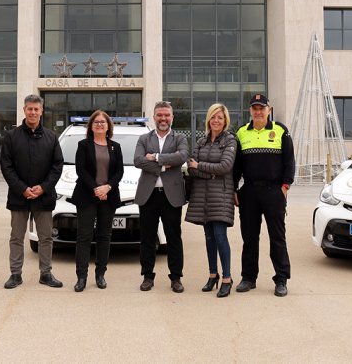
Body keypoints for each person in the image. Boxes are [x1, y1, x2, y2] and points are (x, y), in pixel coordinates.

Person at [232, 93, 295, 297]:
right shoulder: (241, 132)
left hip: (274, 191)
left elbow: (289, 162)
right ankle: (249, 278)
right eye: (254, 108)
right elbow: (236, 166)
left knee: (277, 237)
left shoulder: (280, 131)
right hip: (249, 191)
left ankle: (281, 279)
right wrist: (234, 188)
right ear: (250, 111)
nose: (258, 112)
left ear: (269, 110)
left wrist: (284, 187)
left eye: (262, 108)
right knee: (249, 238)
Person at [0, 94, 64, 289]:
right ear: (24, 110)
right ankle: (15, 274)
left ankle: (46, 273)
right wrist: (22, 189)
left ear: (41, 111)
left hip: (43, 196)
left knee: (45, 237)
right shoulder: (11, 137)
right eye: (30, 109)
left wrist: (43, 187)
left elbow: (57, 166)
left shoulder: (51, 137)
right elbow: (6, 166)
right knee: (17, 237)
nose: (33, 112)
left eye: (36, 109)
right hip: (19, 196)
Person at [134, 100, 189, 293]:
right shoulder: (144, 138)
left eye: (167, 115)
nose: (163, 118)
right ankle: (147, 276)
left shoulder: (180, 138)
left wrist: (156, 158)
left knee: (174, 237)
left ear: (172, 117)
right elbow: (138, 161)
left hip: (171, 195)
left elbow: (182, 157)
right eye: (160, 115)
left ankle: (176, 278)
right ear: (154, 116)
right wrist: (167, 164)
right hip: (148, 195)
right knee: (147, 238)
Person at [185, 103, 237, 298]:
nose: (216, 121)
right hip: (202, 197)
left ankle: (227, 278)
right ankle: (212, 274)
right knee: (208, 238)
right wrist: (209, 173)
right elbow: (191, 167)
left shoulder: (230, 140)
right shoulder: (201, 142)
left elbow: (225, 166)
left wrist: (201, 167)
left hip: (220, 196)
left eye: (220, 118)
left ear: (225, 121)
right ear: (208, 119)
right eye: (213, 117)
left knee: (220, 236)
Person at [71, 110, 124, 292]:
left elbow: (119, 172)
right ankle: (81, 277)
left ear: (108, 126)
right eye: (96, 122)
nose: (100, 124)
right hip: (87, 196)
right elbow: (81, 170)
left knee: (104, 236)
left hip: (108, 197)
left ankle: (100, 274)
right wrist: (95, 188)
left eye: (103, 122)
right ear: (91, 126)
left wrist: (107, 187)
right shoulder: (83, 145)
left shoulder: (115, 147)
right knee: (84, 237)